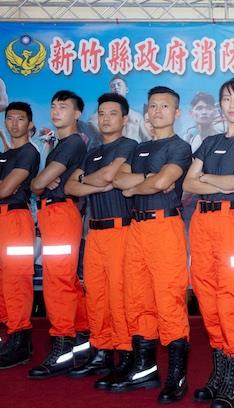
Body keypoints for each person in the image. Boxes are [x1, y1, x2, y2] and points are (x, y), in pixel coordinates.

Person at [183, 77, 234, 408]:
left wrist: (208, 179)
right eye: (227, 99)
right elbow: (188, 183)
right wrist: (220, 183)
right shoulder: (209, 141)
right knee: (206, 296)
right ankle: (219, 371)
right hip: (202, 223)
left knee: (231, 298)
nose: (232, 105)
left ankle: (233, 379)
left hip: (232, 224)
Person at [112, 86, 191, 403]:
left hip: (164, 227)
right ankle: (145, 369)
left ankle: (177, 376)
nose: (158, 111)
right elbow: (119, 179)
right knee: (137, 298)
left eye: (165, 106)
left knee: (168, 299)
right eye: (153, 106)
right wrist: (147, 182)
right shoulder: (139, 148)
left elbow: (162, 181)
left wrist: (137, 186)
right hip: (136, 229)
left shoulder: (180, 147)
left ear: (177, 113)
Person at [64, 93, 138, 385]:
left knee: (120, 296)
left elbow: (110, 175)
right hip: (94, 233)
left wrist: (89, 181)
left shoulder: (129, 146)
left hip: (121, 230)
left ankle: (126, 354)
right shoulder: (91, 152)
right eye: (102, 113)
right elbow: (71, 187)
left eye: (112, 113)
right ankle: (102, 352)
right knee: (95, 294)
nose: (106, 118)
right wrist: (95, 183)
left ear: (124, 118)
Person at [29, 90, 90, 379]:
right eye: (53, 106)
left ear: (77, 113)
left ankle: (63, 343)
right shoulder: (60, 144)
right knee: (67, 280)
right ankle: (83, 337)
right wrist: (41, 183)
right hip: (55, 214)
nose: (55, 111)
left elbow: (37, 184)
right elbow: (41, 183)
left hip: (61, 213)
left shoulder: (73, 142)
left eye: (63, 107)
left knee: (58, 281)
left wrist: (40, 183)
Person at [0, 102, 40, 368]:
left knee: (16, 280)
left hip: (15, 219)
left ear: (30, 124)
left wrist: (5, 186)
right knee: (3, 282)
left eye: (20, 119)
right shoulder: (4, 155)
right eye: (10, 118)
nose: (14, 124)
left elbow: (5, 190)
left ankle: (20, 339)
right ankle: (9, 336)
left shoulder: (29, 152)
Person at [90, 75, 150, 143]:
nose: (116, 87)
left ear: (126, 89)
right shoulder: (99, 115)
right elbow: (91, 127)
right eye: (113, 86)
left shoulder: (137, 116)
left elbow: (147, 138)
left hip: (134, 148)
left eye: (119, 84)